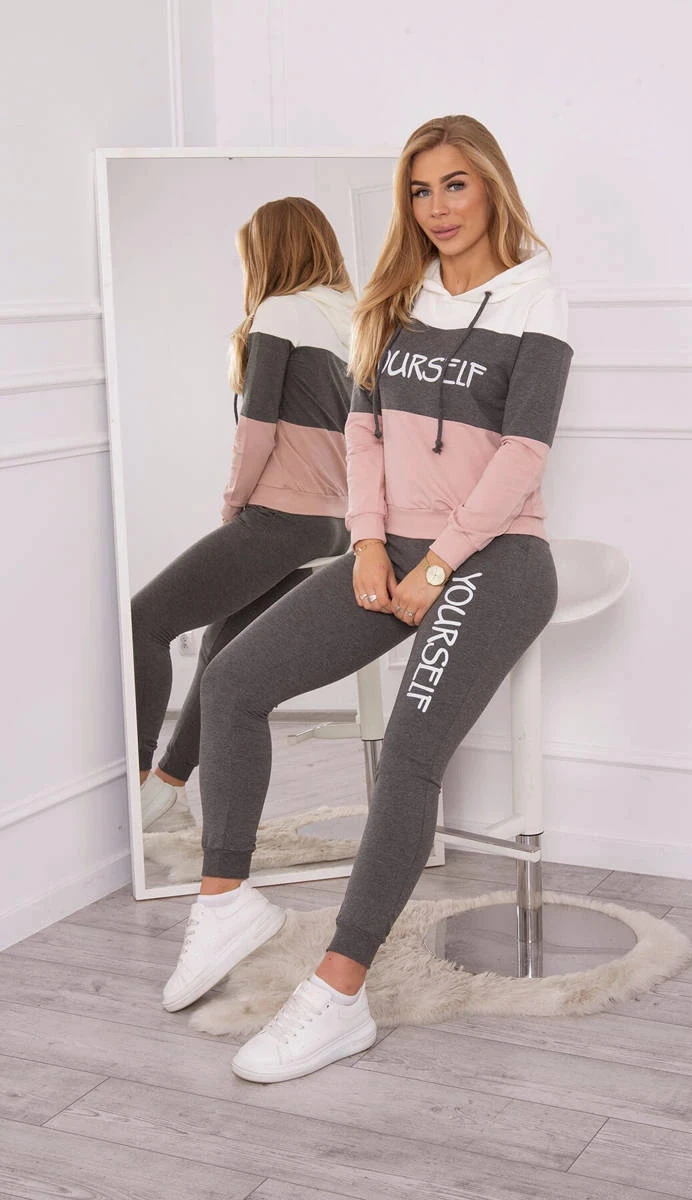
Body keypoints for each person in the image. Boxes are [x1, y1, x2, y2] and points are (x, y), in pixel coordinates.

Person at [162, 115, 574, 1083]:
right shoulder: (394, 296)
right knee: (231, 682)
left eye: (455, 185)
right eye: (420, 191)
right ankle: (225, 901)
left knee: (408, 758)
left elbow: (522, 453)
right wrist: (371, 542)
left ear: (491, 186)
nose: (437, 208)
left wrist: (439, 566)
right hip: (389, 549)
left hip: (497, 557)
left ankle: (338, 995)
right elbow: (361, 431)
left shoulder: (536, 296)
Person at [132, 198, 354, 829]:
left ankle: (134, 780)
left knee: (144, 621)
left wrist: (234, 505)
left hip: (281, 517)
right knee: (220, 647)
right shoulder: (353, 317)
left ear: (271, 253)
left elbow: (257, 429)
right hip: (331, 526)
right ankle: (168, 787)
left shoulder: (280, 312)